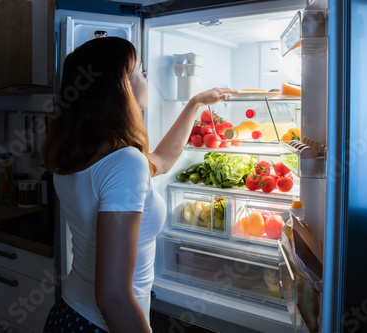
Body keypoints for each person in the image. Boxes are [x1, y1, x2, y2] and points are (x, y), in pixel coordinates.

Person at [41, 36, 236, 333]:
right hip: (101, 325)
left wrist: (195, 103)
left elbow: (161, 160)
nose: (146, 77)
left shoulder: (75, 153)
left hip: (68, 314)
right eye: (139, 71)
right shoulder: (124, 162)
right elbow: (113, 297)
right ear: (121, 86)